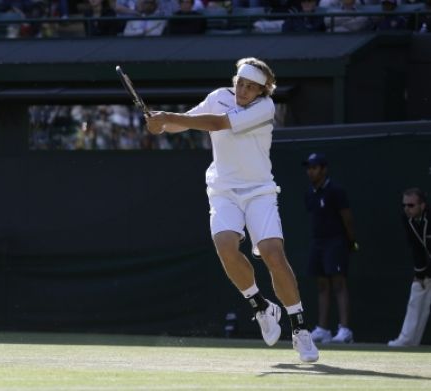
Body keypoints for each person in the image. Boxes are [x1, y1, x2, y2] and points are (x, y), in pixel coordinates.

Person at [145, 57, 319, 363]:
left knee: (272, 254)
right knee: (225, 246)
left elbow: (215, 124)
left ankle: (299, 328)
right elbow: (186, 120)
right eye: (241, 83)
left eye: (252, 87)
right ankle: (261, 307)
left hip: (259, 191)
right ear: (234, 80)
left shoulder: (265, 108)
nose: (244, 90)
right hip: (223, 190)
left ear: (263, 91)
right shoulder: (218, 96)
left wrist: (170, 117)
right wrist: (160, 124)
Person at [303, 153, 358, 344]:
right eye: (309, 168)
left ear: (324, 169)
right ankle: (323, 329)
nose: (311, 171)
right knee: (322, 285)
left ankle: (345, 330)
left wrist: (351, 241)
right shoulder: (310, 192)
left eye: (315, 167)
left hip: (336, 242)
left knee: (339, 284)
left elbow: (347, 218)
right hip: (317, 243)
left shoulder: (336, 191)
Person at [388, 188, 431, 347]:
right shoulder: (407, 219)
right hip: (427, 268)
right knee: (417, 288)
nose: (407, 208)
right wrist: (420, 274)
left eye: (411, 205)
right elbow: (416, 247)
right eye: (404, 205)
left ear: (422, 205)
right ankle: (408, 340)